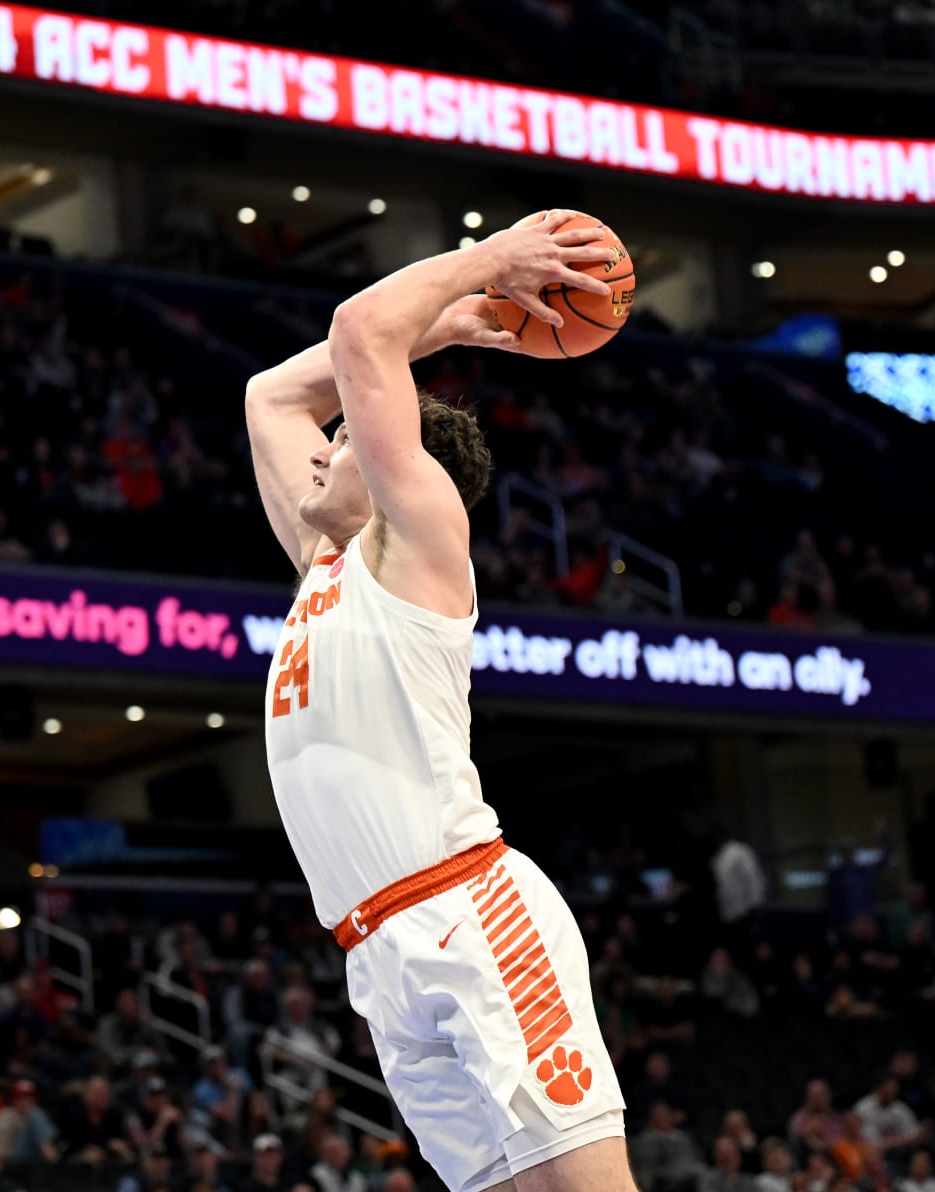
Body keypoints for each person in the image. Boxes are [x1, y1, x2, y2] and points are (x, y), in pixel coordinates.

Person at [245, 211, 630, 1192]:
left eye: (343, 443)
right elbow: (271, 393)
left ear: (391, 467)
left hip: (470, 907)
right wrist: (449, 326)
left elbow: (358, 333)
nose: (320, 456)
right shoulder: (324, 564)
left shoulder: (416, 541)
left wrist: (489, 261)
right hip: (378, 951)